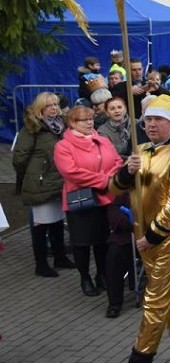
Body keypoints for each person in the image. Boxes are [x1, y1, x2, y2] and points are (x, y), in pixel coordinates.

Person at [110, 95, 170, 363]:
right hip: (143, 238)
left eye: (158, 119)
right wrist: (126, 172)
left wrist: (154, 236)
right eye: (148, 119)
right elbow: (113, 188)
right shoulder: (141, 150)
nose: (151, 124)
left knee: (154, 300)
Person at [54, 105, 123, 297]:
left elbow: (117, 161)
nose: (89, 122)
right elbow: (71, 172)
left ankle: (102, 275)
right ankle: (85, 277)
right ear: (72, 123)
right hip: (81, 201)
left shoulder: (102, 140)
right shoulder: (63, 146)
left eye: (91, 119)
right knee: (82, 243)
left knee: (103, 241)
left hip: (105, 199)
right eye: (84, 120)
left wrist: (111, 176)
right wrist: (104, 180)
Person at [12, 92, 76, 277]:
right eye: (50, 105)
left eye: (56, 104)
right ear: (41, 108)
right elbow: (19, 158)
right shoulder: (32, 128)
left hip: (58, 181)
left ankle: (59, 256)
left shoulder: (60, 126)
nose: (55, 108)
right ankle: (41, 264)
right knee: (41, 225)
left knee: (56, 222)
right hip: (40, 182)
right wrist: (34, 173)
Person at [105, 192, 134, 318]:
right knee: (113, 254)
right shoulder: (126, 185)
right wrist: (127, 221)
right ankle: (114, 303)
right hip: (127, 234)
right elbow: (114, 208)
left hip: (153, 234)